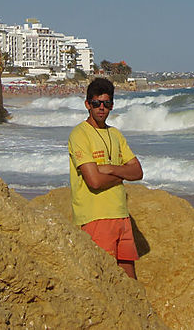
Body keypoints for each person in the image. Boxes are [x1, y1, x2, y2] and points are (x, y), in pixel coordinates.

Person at [68, 77, 143, 278]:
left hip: (121, 216)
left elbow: (137, 172)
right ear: (87, 105)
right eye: (96, 103)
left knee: (130, 282)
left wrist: (109, 168)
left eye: (107, 103)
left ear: (112, 106)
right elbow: (94, 182)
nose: (102, 108)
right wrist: (121, 175)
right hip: (95, 217)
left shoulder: (116, 134)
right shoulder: (80, 135)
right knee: (103, 278)